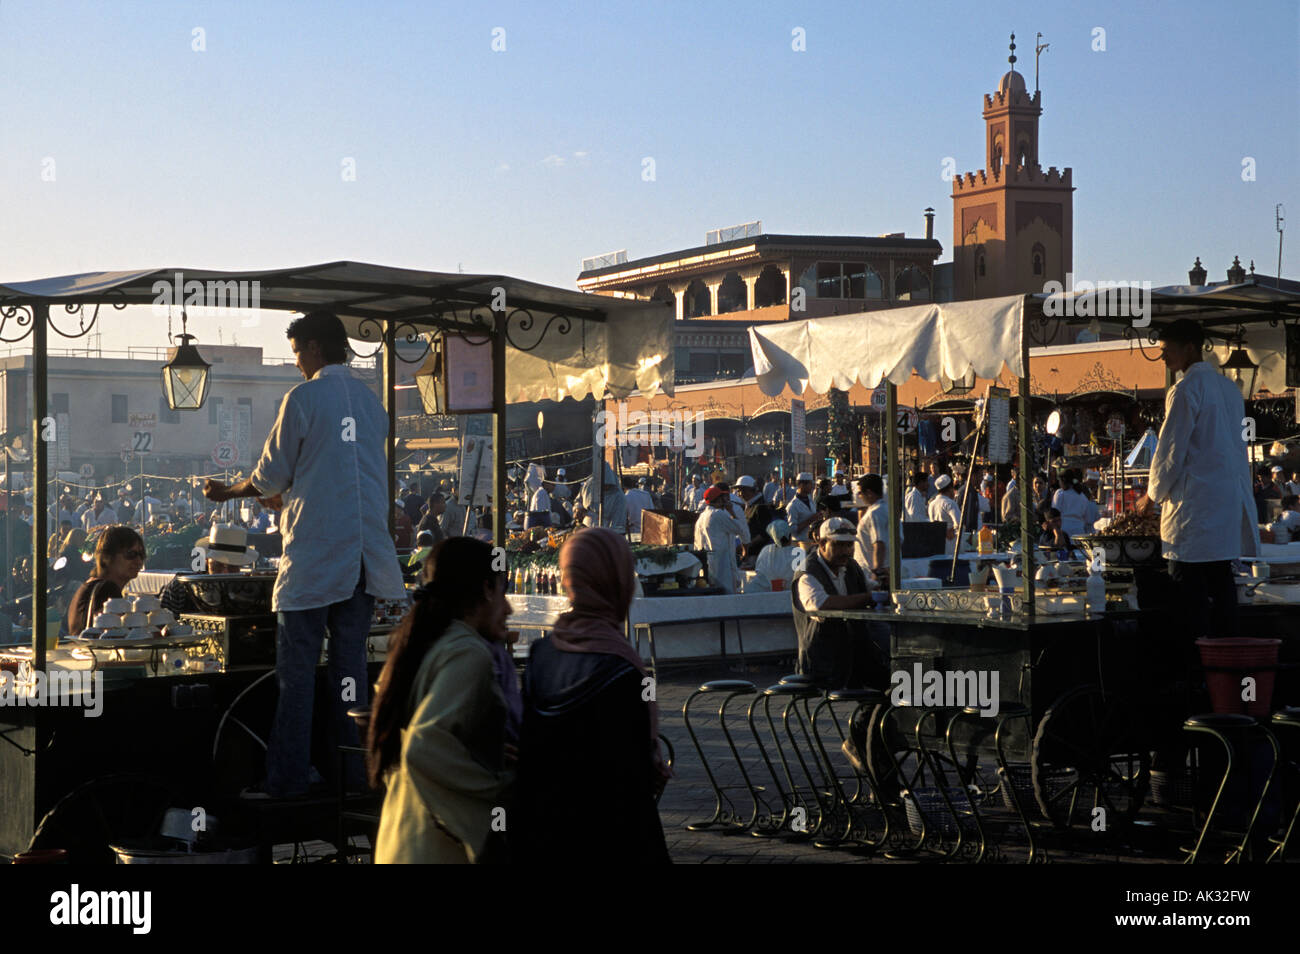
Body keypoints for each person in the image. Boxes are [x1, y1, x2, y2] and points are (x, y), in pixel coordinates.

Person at [204, 310, 406, 799]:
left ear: (314, 348)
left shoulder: (304, 397)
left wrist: (228, 491)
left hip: (316, 561)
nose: (296, 364)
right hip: (363, 561)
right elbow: (333, 473)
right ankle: (353, 779)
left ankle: (288, 782)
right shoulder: (370, 402)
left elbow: (270, 475)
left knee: (296, 680)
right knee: (349, 679)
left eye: (297, 354)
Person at [512, 529, 670, 863]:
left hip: (541, 831)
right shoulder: (623, 670)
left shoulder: (542, 653)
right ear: (617, 581)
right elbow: (633, 783)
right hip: (606, 838)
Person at [368, 538, 514, 864]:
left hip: (399, 843)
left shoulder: (423, 643)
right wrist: (498, 787)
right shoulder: (468, 652)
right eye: (503, 592)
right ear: (487, 589)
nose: (509, 609)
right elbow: (424, 745)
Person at [1136, 318, 1258, 640]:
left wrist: (1151, 496)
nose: (1163, 358)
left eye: (1166, 351)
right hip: (1224, 507)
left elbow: (1171, 451)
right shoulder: (1229, 390)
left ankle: (1197, 669)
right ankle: (1227, 661)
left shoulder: (1186, 389)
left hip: (1195, 512)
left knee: (1190, 597)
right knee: (1221, 589)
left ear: (1189, 347)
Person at [159, 523, 259, 616]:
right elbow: (159, 623)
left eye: (232, 566)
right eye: (218, 566)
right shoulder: (180, 587)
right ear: (207, 560)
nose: (225, 572)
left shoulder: (250, 591)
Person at [64, 526, 145, 636]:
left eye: (141, 555)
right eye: (130, 554)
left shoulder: (90, 586)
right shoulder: (107, 589)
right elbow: (117, 637)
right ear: (106, 557)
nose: (138, 561)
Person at [693, 484, 747, 593]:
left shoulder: (702, 517)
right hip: (722, 563)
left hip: (708, 563)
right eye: (722, 498)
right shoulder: (718, 514)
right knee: (726, 594)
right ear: (717, 500)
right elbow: (739, 529)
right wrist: (731, 511)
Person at [853, 474, 890, 589]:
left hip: (872, 575)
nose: (859, 496)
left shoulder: (876, 513)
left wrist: (877, 573)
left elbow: (879, 543)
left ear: (869, 493)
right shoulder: (885, 509)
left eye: (860, 493)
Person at [574, 462, 627, 531]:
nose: (603, 488)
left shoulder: (618, 497)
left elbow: (617, 524)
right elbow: (578, 500)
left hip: (605, 530)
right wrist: (578, 509)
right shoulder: (588, 486)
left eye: (606, 486)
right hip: (585, 526)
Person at [1052, 468, 1100, 538]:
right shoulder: (1082, 496)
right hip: (1079, 530)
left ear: (1062, 481)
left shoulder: (1060, 493)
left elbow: (1054, 512)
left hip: (1063, 529)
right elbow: (1088, 518)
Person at [754, 519, 801, 590]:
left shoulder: (766, 550)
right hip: (790, 595)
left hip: (766, 594)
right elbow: (801, 578)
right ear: (790, 535)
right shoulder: (798, 552)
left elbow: (759, 572)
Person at [927, 473, 963, 554]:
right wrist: (951, 531)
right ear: (950, 489)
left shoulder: (931, 504)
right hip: (951, 548)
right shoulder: (950, 503)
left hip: (936, 547)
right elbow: (959, 523)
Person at [785, 472, 817, 543]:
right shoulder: (792, 506)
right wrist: (810, 520)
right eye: (810, 484)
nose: (812, 487)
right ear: (801, 485)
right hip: (799, 543)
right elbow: (792, 530)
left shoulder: (810, 500)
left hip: (811, 541)